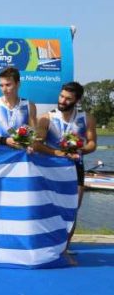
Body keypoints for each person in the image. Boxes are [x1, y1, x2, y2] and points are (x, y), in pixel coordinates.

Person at [34, 82, 97, 265]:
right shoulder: (47, 118)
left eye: (68, 98)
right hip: (50, 169)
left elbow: (92, 143)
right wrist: (59, 153)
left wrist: (80, 150)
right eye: (61, 96)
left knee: (72, 211)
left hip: (75, 167)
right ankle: (47, 246)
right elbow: (37, 144)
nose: (62, 100)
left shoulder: (87, 118)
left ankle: (64, 250)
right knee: (48, 209)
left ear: (77, 100)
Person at [0, 67, 36, 149]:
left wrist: (30, 147)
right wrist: (4, 141)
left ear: (18, 84)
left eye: (8, 85)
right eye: (1, 85)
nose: (4, 89)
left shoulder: (29, 105)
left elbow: (32, 136)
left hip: (20, 159)